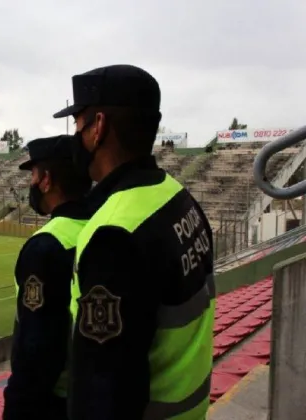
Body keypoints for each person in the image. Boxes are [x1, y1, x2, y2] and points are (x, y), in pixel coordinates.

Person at [52, 65, 215, 420]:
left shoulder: (114, 235)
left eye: (78, 125)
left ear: (98, 127)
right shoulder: (179, 199)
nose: (75, 137)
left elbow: (103, 392)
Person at [3, 135, 92, 420]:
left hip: (53, 402)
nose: (31, 183)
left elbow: (36, 351)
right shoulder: (103, 226)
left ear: (46, 180)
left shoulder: (44, 246)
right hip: (87, 395)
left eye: (33, 174)